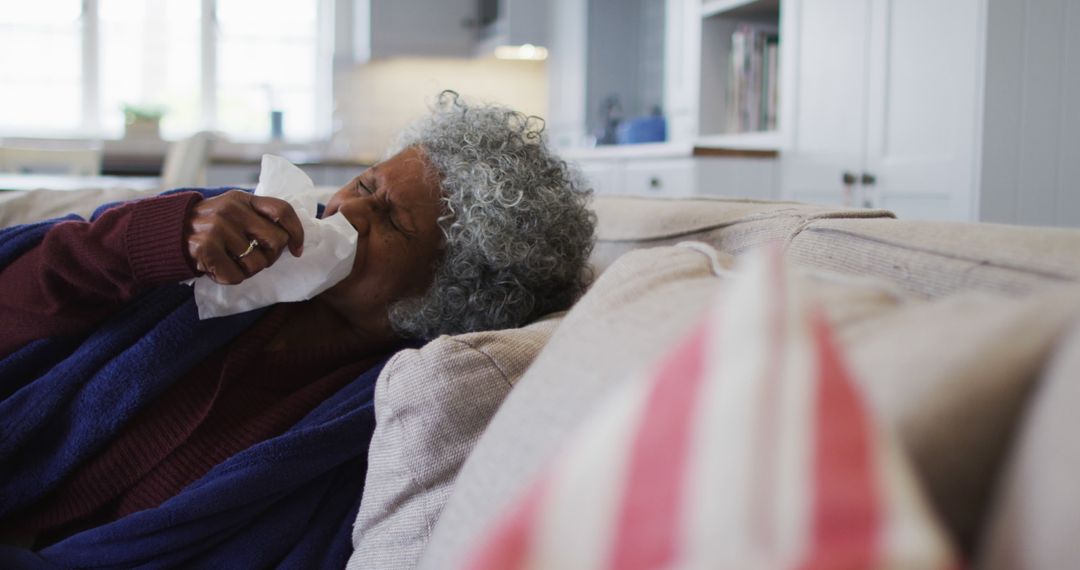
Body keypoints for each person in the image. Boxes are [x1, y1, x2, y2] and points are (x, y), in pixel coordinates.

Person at [0, 91, 595, 567]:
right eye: (364, 186)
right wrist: (147, 241)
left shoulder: (377, 414)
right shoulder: (221, 234)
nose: (344, 211)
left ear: (447, 290)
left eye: (390, 219)